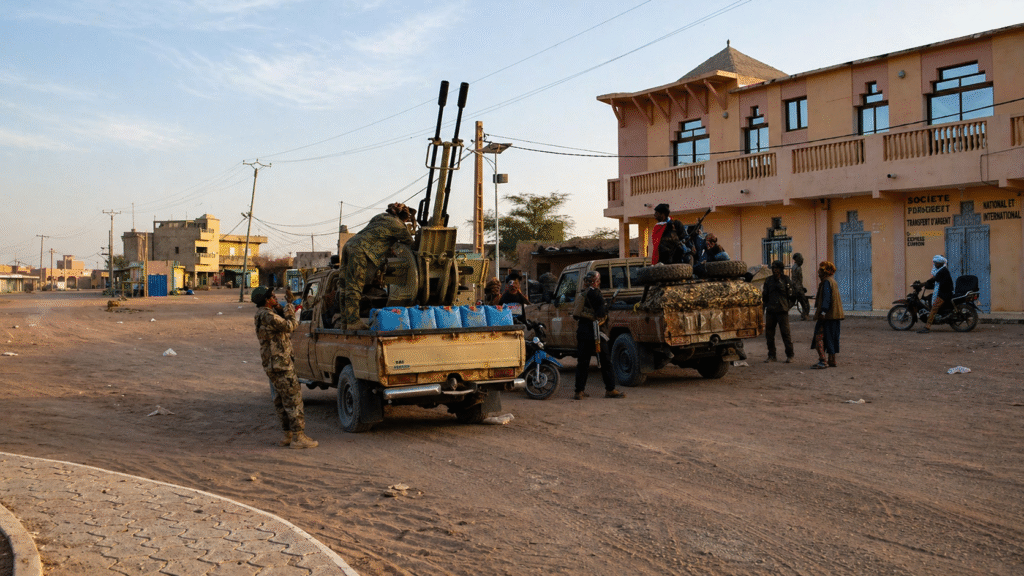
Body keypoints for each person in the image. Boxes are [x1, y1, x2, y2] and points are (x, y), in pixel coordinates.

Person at [252, 286, 317, 449]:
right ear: (267, 300)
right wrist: (290, 307)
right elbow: (290, 325)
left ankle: (288, 435)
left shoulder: (261, 315)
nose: (275, 298)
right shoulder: (267, 315)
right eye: (273, 296)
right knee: (293, 399)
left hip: (272, 364)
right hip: (281, 364)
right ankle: (298, 437)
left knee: (281, 400)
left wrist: (281, 306)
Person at [341, 203, 415, 330]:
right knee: (355, 285)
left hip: (350, 245)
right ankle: (353, 322)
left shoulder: (380, 217)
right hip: (360, 250)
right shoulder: (397, 225)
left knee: (345, 286)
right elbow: (411, 244)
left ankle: (345, 321)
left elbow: (379, 237)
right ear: (404, 217)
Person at [573, 271, 625, 400]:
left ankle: (579, 391)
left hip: (583, 331)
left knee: (582, 363)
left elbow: (577, 314)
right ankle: (610, 389)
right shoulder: (596, 293)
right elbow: (601, 313)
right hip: (596, 332)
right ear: (597, 281)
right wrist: (608, 305)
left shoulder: (583, 294)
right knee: (606, 361)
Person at [811, 261, 844, 369]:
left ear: (825, 272)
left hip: (827, 316)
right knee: (832, 338)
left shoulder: (826, 283)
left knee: (818, 337)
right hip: (835, 316)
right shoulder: (832, 281)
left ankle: (822, 361)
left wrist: (823, 313)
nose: (818, 273)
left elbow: (826, 301)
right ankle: (832, 360)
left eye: (820, 271)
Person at [762, 260, 795, 363]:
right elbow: (764, 296)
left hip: (782, 311)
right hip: (771, 311)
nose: (774, 270)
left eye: (776, 268)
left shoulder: (786, 280)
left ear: (781, 270)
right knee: (769, 335)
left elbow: (792, 296)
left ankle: (790, 355)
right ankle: (772, 355)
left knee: (786, 334)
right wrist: (764, 309)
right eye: (773, 268)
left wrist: (787, 307)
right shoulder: (768, 280)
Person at [918, 255, 954, 333]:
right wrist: (924, 283)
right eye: (935, 263)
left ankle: (927, 327)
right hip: (942, 291)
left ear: (941, 263)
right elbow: (936, 280)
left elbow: (934, 279)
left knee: (934, 308)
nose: (935, 265)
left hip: (944, 293)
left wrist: (924, 284)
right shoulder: (941, 270)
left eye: (937, 263)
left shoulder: (943, 271)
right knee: (930, 298)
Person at [791, 253, 811, 321]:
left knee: (801, 302)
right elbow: (798, 280)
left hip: (795, 287)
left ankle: (804, 315)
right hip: (798, 288)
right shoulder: (797, 268)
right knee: (805, 302)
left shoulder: (794, 267)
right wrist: (801, 288)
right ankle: (805, 315)